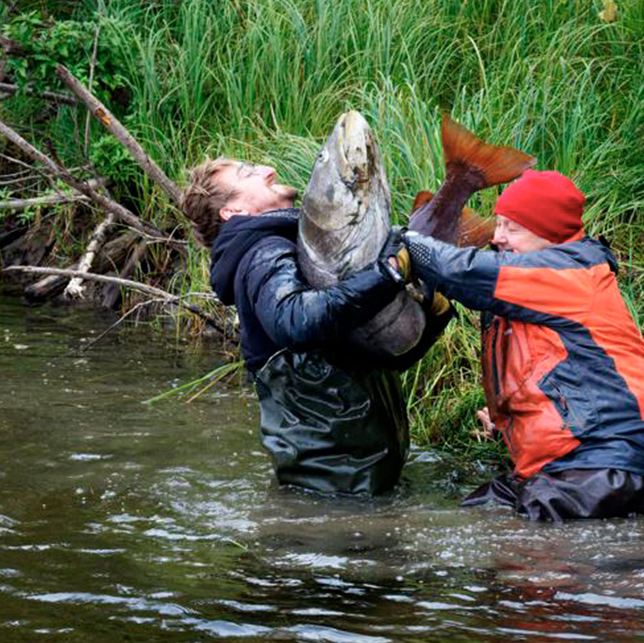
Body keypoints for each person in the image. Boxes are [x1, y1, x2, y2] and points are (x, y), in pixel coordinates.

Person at [384, 171, 644, 521]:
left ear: (549, 233)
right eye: (499, 224)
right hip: (571, 466)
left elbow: (462, 272)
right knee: (483, 510)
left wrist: (405, 242)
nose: (497, 237)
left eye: (513, 228)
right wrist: (506, 425)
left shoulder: (572, 272)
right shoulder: (530, 287)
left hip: (613, 462)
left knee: (529, 524)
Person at [183, 157, 452, 495]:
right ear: (233, 213)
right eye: (248, 174)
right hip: (332, 493)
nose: (268, 169)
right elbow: (296, 322)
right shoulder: (261, 253)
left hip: (360, 481)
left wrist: (432, 313)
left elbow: (381, 362)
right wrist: (388, 274)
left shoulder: (295, 252)